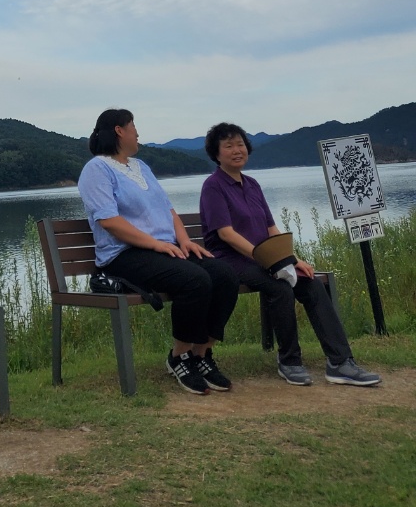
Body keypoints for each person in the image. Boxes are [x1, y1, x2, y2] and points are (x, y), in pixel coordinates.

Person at [200, 122, 381, 387]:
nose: (237, 150)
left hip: (265, 258)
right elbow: (226, 234)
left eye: (240, 144)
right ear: (216, 154)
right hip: (232, 261)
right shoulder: (213, 186)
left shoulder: (252, 185)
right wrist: (266, 260)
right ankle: (290, 361)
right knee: (279, 286)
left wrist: (292, 260)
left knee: (310, 282)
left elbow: (271, 229)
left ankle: (341, 362)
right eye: (229, 146)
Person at [78, 108, 239, 395]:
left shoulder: (141, 167)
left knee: (225, 275)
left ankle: (201, 354)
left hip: (163, 250)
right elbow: (109, 221)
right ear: (119, 131)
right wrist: (154, 244)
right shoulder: (96, 169)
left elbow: (168, 209)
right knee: (194, 280)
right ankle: (179, 356)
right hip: (124, 255)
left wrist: (184, 240)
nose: (137, 133)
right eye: (133, 126)